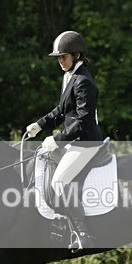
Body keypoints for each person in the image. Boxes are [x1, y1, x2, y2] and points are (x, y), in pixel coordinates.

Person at [26, 30, 104, 250]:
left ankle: (82, 234)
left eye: (64, 56)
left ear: (77, 55)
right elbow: (62, 111)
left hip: (86, 142)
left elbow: (84, 121)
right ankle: (57, 223)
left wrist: (58, 139)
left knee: (60, 181)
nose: (60, 61)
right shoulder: (69, 77)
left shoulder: (84, 81)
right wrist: (40, 124)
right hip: (74, 140)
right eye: (58, 57)